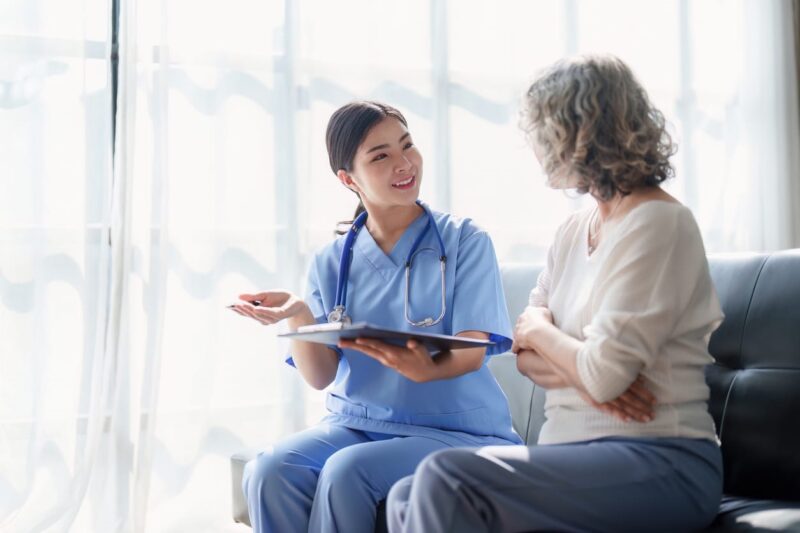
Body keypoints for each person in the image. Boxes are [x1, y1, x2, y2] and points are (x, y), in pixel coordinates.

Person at [386, 55, 725, 533]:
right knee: (406, 492)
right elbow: (526, 359)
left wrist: (540, 331)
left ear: (583, 133)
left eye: (544, 132)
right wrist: (582, 368)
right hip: (571, 457)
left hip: (662, 460)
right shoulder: (573, 230)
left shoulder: (658, 224)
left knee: (447, 479)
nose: (537, 147)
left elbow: (586, 367)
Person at [231, 101, 522, 533]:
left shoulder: (465, 241)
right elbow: (321, 377)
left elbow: (472, 351)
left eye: (407, 146)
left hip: (460, 433)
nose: (404, 164)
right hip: (356, 423)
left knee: (348, 472)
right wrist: (299, 316)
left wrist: (428, 367)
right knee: (269, 469)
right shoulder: (332, 260)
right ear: (349, 179)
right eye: (381, 156)